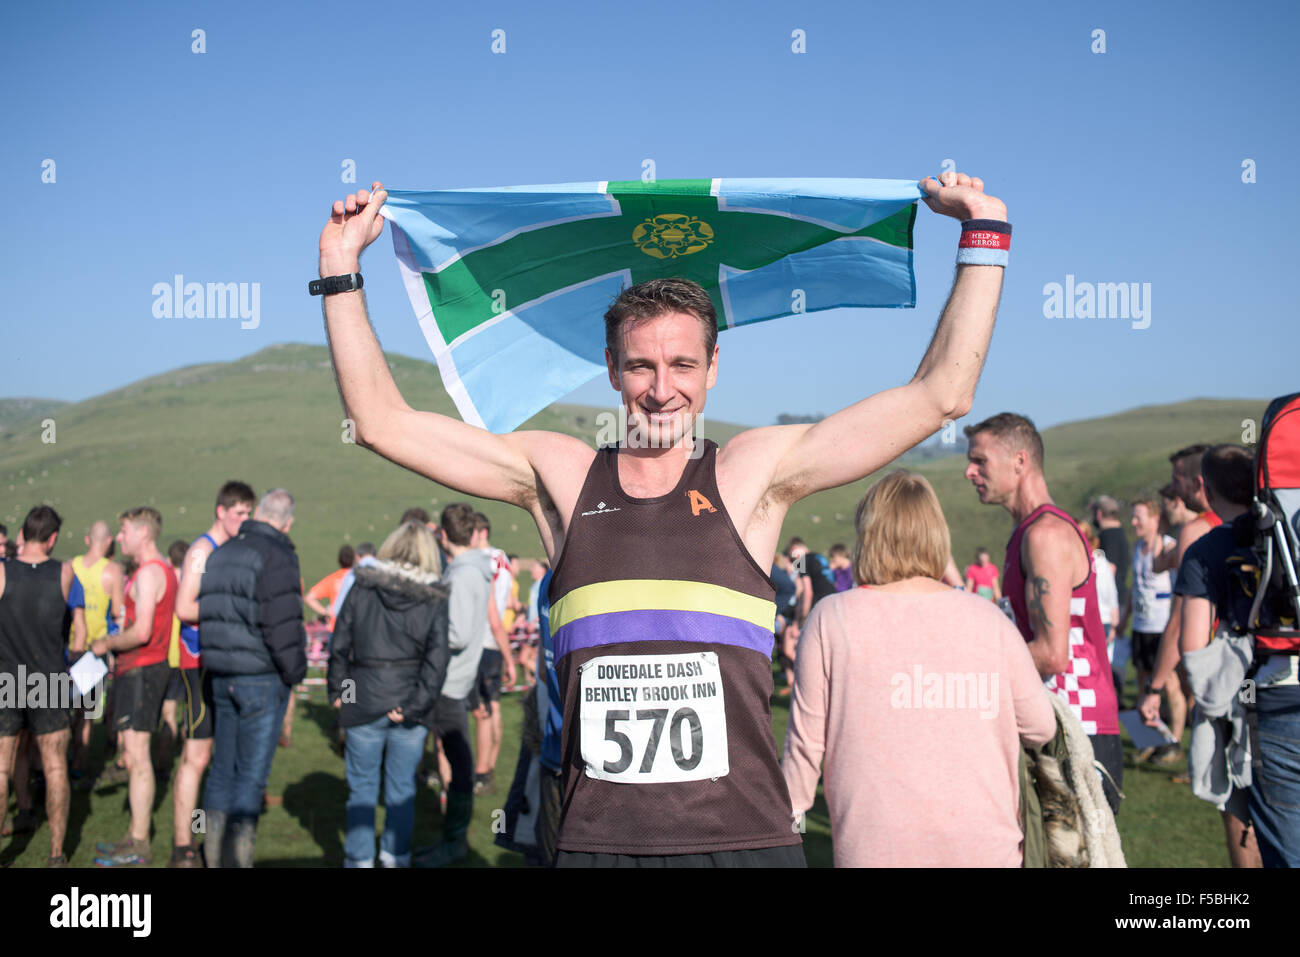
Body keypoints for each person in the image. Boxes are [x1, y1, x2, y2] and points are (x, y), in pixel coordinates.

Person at [320, 170, 1008, 866]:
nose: (661, 389)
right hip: (599, 846)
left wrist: (984, 237)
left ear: (713, 366)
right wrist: (341, 269)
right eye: (641, 365)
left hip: (747, 843)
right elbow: (381, 422)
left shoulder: (751, 476)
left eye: (682, 363)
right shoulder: (560, 476)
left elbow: (940, 396)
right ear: (613, 369)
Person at [782, 471, 1055, 865]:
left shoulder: (832, 619)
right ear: (936, 536)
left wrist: (782, 826)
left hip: (876, 849)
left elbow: (805, 748)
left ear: (868, 534)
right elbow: (1040, 726)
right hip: (986, 848)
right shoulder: (990, 620)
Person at [964, 413, 1123, 813]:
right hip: (1054, 723)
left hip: (1076, 729)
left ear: (1020, 462)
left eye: (980, 461)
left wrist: (969, 662)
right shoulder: (1028, 532)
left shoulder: (1045, 535)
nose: (969, 472)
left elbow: (1052, 654)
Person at [1144, 446, 1274, 867]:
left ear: (1202, 486)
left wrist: (1157, 685)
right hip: (1287, 682)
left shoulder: (1201, 537)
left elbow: (1186, 630)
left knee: (1242, 806)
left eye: (1182, 481)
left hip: (1242, 694)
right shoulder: (1281, 531)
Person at [329, 521, 450, 867]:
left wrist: (341, 692)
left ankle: (360, 859)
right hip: (406, 702)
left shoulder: (363, 587)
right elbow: (437, 660)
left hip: (364, 697)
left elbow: (340, 643)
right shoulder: (434, 597)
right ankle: (394, 857)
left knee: (361, 789)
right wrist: (416, 705)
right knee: (401, 791)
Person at [197, 489, 307, 867]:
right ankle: (236, 861)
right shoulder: (277, 555)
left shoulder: (222, 552)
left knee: (222, 771)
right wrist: (295, 672)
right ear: (286, 522)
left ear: (258, 513)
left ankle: (214, 857)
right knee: (250, 778)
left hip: (221, 674)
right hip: (260, 676)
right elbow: (282, 623)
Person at [169, 480, 255, 867]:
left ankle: (213, 841)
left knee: (225, 758)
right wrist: (230, 613)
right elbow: (184, 607)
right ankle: (183, 846)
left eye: (249, 513)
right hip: (198, 662)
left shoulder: (233, 549)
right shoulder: (203, 550)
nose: (245, 519)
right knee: (197, 757)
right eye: (239, 513)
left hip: (225, 659)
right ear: (221, 511)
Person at [0, 506, 87, 867]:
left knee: (1, 769)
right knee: (54, 769)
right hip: (50, 677)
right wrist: (71, 662)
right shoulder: (65, 572)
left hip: (7, 678)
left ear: (23, 534)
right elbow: (80, 633)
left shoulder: (2, 570)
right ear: (52, 538)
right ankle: (56, 854)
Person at [92, 507, 178, 866]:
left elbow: (142, 632)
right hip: (142, 669)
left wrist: (107, 644)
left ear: (143, 533)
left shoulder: (149, 574)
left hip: (142, 669)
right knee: (134, 752)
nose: (118, 537)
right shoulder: (156, 572)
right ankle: (133, 835)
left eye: (124, 530)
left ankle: (139, 843)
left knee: (139, 757)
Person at [413, 504, 495, 867]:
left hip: (449, 679)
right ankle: (451, 838)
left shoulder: (461, 575)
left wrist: (424, 636)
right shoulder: (472, 570)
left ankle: (453, 842)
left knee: (458, 757)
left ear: (444, 536)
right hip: (459, 677)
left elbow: (457, 633)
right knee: (456, 753)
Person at [1120, 498, 1181, 759]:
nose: (1133, 522)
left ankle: (1174, 743)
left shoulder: (1168, 546)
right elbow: (1136, 588)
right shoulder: (1138, 548)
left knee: (1168, 684)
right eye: (1133, 517)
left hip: (1162, 627)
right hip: (1141, 627)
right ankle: (1150, 740)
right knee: (1144, 682)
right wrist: (1124, 618)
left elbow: (1181, 587)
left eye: (1138, 517)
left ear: (1155, 519)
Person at [68, 520, 125, 778]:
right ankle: (78, 765)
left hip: (66, 647)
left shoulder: (69, 566)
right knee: (85, 714)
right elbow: (117, 614)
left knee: (58, 709)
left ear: (87, 539)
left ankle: (52, 763)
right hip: (95, 652)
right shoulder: (113, 571)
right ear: (109, 541)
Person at [472, 513, 517, 794]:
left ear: (482, 532)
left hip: (481, 639)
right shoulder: (504, 559)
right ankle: (488, 767)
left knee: (479, 711)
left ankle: (477, 771)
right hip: (497, 641)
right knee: (494, 706)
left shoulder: (480, 560)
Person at [1089, 495, 1131, 610]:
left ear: (1099, 514)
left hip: (1109, 604)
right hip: (1117, 599)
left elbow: (1109, 569)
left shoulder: (1108, 536)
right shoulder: (1118, 533)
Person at [305, 544, 356, 628]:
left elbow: (309, 598)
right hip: (355, 627)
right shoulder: (359, 579)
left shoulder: (333, 579)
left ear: (339, 561)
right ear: (354, 560)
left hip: (336, 628)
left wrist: (326, 613)